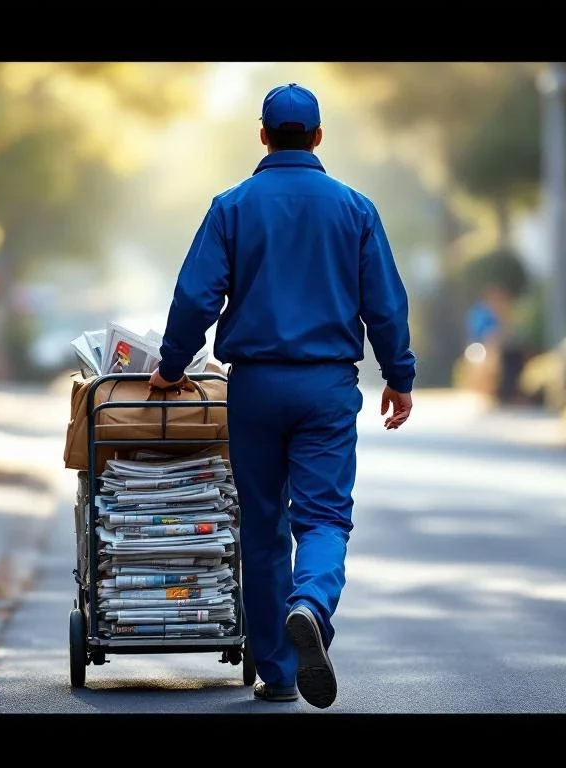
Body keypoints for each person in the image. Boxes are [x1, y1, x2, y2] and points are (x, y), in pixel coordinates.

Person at [148, 83, 416, 708]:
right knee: (323, 516)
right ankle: (311, 605)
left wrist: (170, 365)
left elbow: (196, 297)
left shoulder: (232, 207)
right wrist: (399, 377)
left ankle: (278, 671)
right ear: (318, 137)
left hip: (256, 387)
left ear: (264, 136)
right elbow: (385, 305)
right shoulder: (356, 208)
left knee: (263, 525)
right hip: (326, 387)